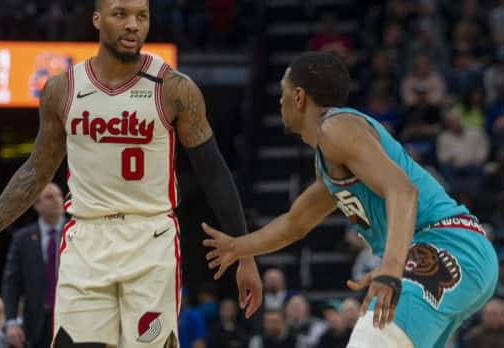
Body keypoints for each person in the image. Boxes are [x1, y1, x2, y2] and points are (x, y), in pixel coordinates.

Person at [0, 0, 262, 346]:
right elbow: (36, 171)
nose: (133, 24)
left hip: (149, 237)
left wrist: (246, 252)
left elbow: (214, 173)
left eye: (142, 16)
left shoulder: (174, 88)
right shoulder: (63, 89)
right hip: (87, 238)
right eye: (121, 14)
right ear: (96, 19)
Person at [202, 52, 498, 348]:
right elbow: (295, 224)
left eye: (283, 91)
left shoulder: (337, 128)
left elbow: (403, 191)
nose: (280, 101)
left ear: (300, 97)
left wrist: (391, 272)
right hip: (450, 252)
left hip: (449, 246)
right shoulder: (330, 158)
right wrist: (238, 248)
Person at [2, 183, 67, 348]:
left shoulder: (78, 232)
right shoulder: (22, 238)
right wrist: (11, 321)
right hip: (36, 322)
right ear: (36, 205)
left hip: (72, 317)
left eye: (59, 196)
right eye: (50, 197)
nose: (57, 201)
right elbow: (12, 283)